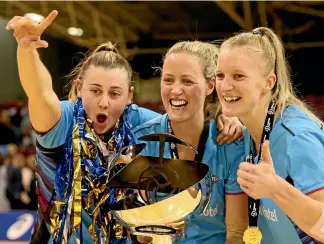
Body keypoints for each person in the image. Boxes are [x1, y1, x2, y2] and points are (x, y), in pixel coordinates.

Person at [6, 10, 243, 244]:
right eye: (95, 90)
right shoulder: (62, 121)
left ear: (129, 96)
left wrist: (225, 115)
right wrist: (26, 50)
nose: (104, 102)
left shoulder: (140, 124)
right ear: (79, 88)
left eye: (115, 93)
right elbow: (39, 92)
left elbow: (185, 116)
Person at [215, 26, 324, 243]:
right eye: (220, 75)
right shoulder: (251, 127)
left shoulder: (297, 138)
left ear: (269, 82)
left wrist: (275, 188)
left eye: (238, 76)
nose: (225, 86)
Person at [133, 41, 248, 244]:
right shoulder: (143, 142)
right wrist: (145, 228)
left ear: (210, 85)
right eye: (168, 80)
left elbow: (236, 234)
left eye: (187, 81)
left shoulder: (230, 143)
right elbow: (142, 236)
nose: (176, 90)